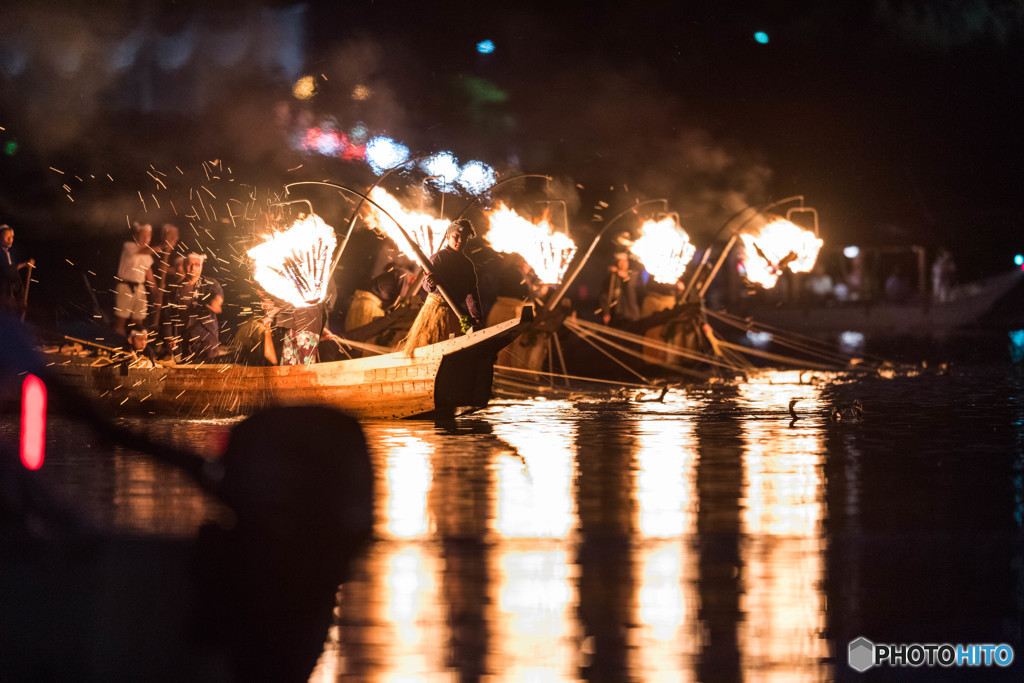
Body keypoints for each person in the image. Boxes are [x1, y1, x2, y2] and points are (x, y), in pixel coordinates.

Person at [402, 218, 484, 353]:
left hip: (456, 314)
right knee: (429, 346)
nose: (460, 241)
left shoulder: (467, 265)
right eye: (456, 236)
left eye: (463, 237)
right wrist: (432, 283)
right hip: (436, 311)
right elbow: (425, 285)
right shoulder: (438, 258)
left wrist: (476, 317)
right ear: (447, 237)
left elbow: (471, 292)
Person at [172, 252, 225, 362]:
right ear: (184, 265)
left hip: (206, 338)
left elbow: (218, 294)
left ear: (201, 266)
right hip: (185, 340)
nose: (193, 267)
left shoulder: (209, 283)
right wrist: (170, 336)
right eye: (190, 264)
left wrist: (216, 302)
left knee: (209, 370)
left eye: (197, 264)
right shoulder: (177, 289)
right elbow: (169, 314)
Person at [113, 222, 155, 336]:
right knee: (121, 319)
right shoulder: (129, 246)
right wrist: (163, 246)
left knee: (138, 321)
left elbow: (149, 275)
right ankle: (119, 343)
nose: (146, 239)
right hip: (125, 286)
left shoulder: (147, 256)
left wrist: (156, 292)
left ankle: (136, 344)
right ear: (136, 236)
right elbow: (143, 251)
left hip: (140, 288)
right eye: (143, 236)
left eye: (148, 236)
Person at [599, 250, 641, 325]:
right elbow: (605, 296)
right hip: (616, 316)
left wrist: (618, 272)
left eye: (624, 261)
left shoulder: (633, 275)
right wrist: (606, 313)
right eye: (619, 261)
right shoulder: (612, 278)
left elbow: (630, 286)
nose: (622, 264)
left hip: (631, 316)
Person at [0, 224, 34, 315]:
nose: (10, 239)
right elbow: (8, 272)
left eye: (12, 237)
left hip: (9, 298)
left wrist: (21, 297)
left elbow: (13, 271)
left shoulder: (8, 255)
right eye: (7, 237)